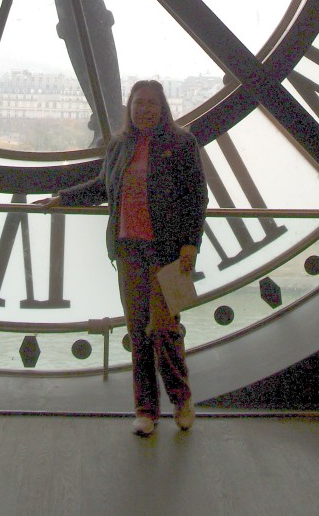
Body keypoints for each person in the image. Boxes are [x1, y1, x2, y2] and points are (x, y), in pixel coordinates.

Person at [35, 80, 208, 436]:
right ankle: (180, 401)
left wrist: (63, 199)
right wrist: (190, 243)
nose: (145, 110)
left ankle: (148, 411)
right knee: (161, 329)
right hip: (159, 249)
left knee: (149, 330)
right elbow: (194, 198)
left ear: (160, 108)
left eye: (150, 104)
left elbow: (103, 188)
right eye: (141, 104)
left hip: (135, 248)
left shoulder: (121, 145)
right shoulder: (179, 143)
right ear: (133, 108)